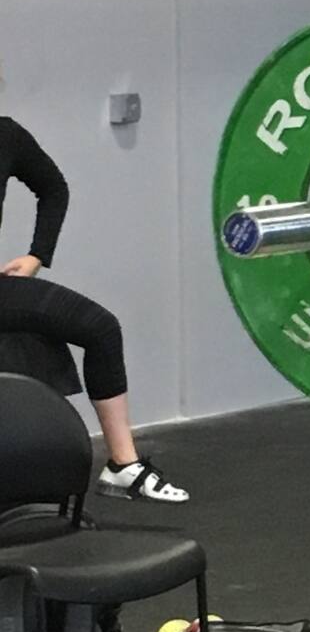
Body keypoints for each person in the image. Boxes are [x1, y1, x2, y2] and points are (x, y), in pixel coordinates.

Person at [0, 114, 188, 503]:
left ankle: (123, 466)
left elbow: (53, 189)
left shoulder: (6, 134)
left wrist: (38, 255)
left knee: (100, 327)